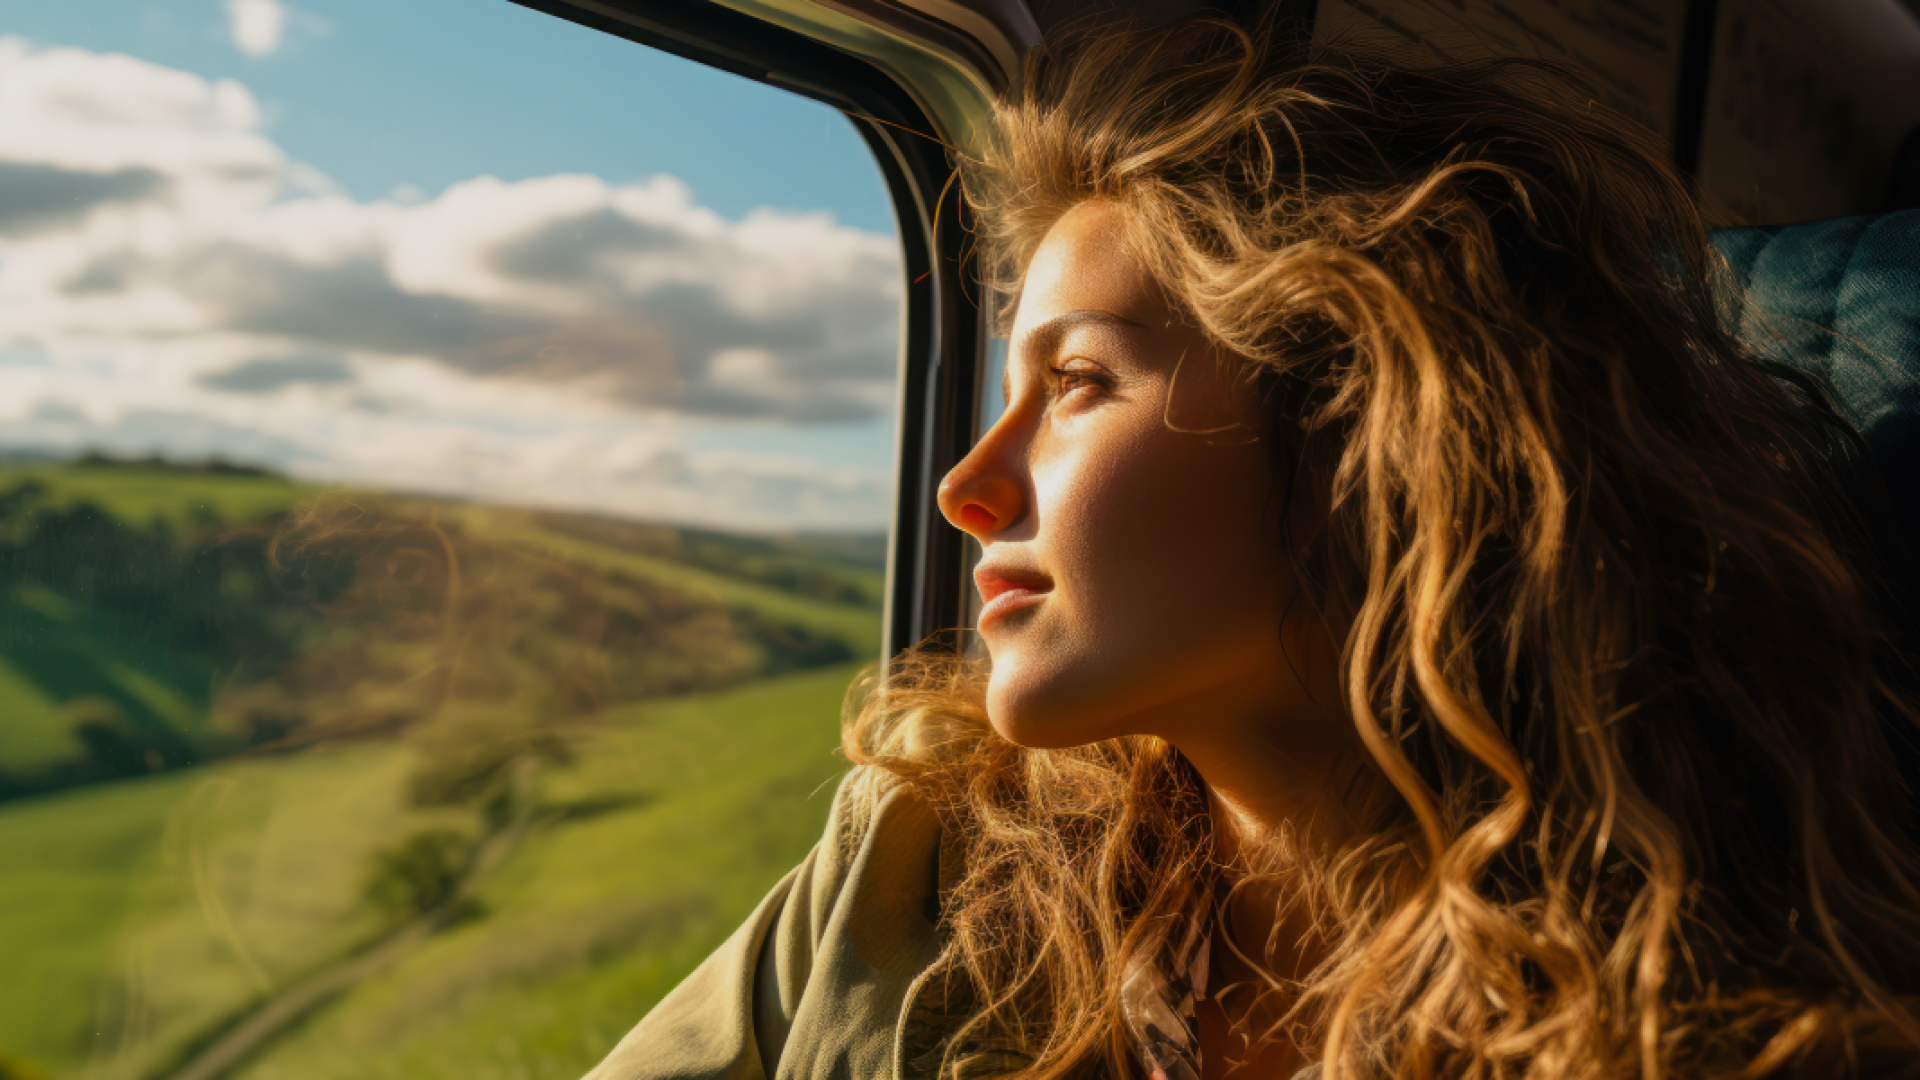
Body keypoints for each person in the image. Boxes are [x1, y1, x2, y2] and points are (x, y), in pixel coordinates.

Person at [584, 16, 1920, 1080]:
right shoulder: (912, 864)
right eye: (1004, 395)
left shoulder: (1734, 1013)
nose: (966, 488)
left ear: (1364, 429)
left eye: (1078, 384)